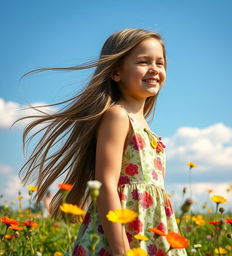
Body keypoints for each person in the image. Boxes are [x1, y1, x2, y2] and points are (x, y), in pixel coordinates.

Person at [18, 28, 188, 256]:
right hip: (118, 238)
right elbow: (107, 184)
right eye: (143, 61)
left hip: (150, 232)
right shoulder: (117, 116)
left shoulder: (146, 127)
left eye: (160, 63)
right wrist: (122, 251)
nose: (155, 69)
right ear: (115, 72)